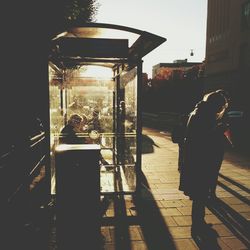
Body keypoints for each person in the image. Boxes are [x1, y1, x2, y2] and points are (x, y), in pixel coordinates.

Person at [179, 90, 229, 238]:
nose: (221, 110)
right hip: (200, 162)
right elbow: (203, 139)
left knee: (199, 194)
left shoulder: (198, 111)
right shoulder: (204, 115)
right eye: (220, 106)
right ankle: (197, 224)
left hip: (194, 160)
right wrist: (218, 130)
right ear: (215, 104)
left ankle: (199, 222)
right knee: (200, 194)